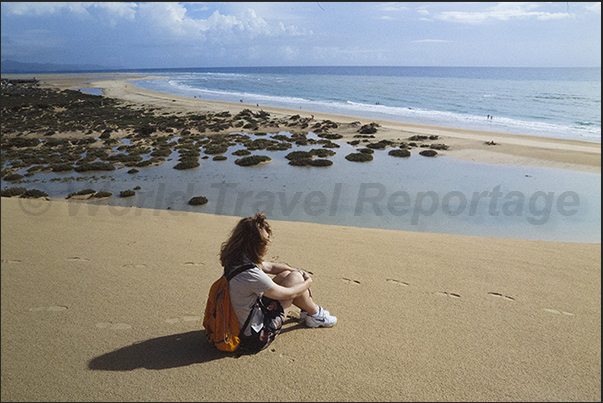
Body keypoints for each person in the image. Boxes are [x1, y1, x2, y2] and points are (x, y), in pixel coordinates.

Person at [220, 212, 337, 352]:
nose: (268, 246)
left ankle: (309, 312)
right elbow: (288, 294)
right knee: (294, 280)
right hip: (253, 337)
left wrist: (296, 271)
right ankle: (315, 314)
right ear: (255, 245)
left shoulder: (237, 261)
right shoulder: (251, 275)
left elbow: (271, 267)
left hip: (238, 322)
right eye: (266, 242)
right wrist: (307, 282)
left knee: (286, 275)